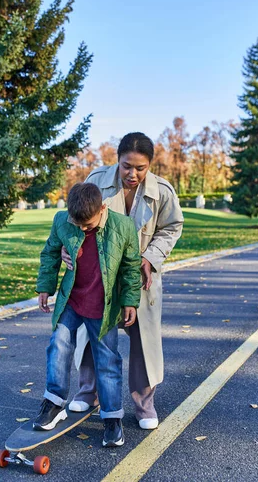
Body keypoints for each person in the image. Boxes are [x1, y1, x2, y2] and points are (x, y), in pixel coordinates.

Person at [62, 132, 184, 430]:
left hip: (140, 279)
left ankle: (144, 405)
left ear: (150, 165)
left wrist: (151, 257)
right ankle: (89, 393)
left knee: (144, 342)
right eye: (127, 166)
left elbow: (171, 228)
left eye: (140, 168)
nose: (132, 174)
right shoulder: (96, 180)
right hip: (97, 276)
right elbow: (75, 217)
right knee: (93, 334)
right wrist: (69, 246)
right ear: (117, 160)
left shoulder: (163, 191)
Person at [34, 182, 142, 448]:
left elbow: (130, 268)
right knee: (58, 345)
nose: (81, 229)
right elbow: (50, 253)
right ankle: (55, 403)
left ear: (103, 208)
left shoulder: (124, 227)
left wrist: (130, 301)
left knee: (107, 360)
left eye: (88, 224)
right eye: (77, 223)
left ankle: (112, 418)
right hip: (71, 299)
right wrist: (45, 287)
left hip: (103, 307)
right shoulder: (62, 220)